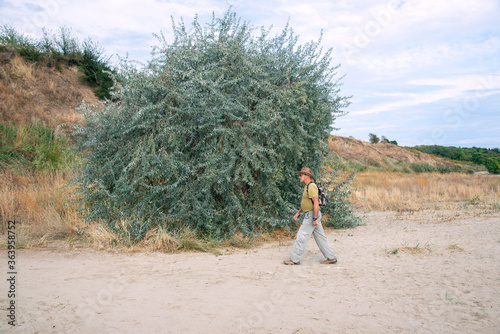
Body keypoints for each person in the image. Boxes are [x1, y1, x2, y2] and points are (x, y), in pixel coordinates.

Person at [283, 167, 337, 265]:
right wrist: (298, 212)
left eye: (301, 175)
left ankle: (294, 260)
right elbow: (307, 203)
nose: (299, 177)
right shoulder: (307, 186)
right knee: (321, 237)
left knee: (301, 236)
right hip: (311, 214)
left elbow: (315, 203)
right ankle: (331, 257)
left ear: (306, 176)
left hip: (312, 215)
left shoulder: (311, 186)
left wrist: (314, 218)